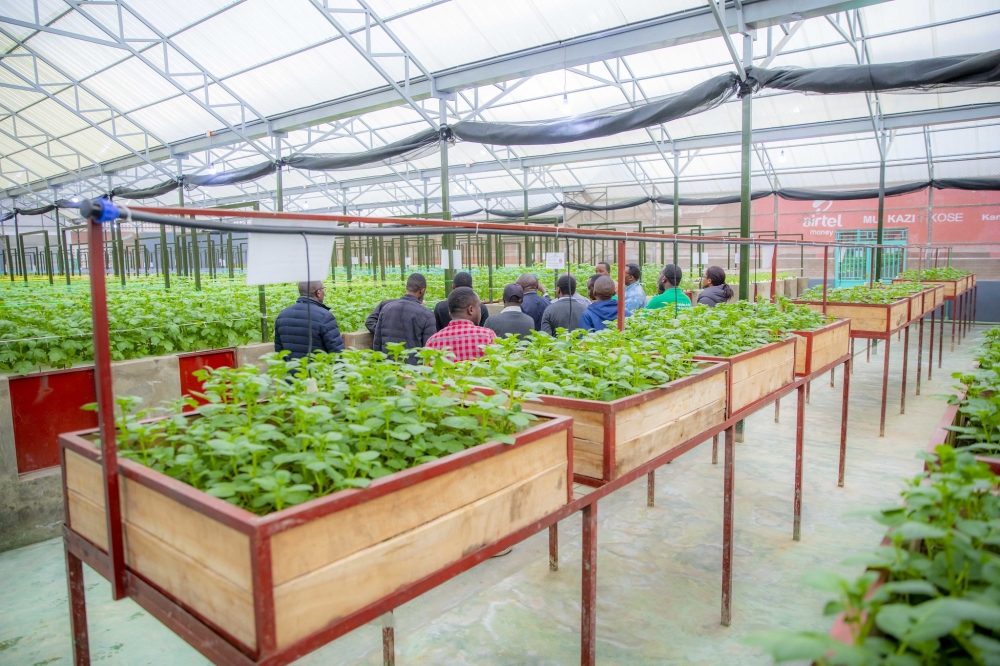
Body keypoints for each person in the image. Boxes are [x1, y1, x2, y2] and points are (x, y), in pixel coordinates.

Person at [372, 273, 436, 363]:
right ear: (422, 291)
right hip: (413, 372)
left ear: (406, 287)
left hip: (388, 368)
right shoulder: (427, 315)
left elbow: (377, 343)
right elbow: (428, 350)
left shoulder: (386, 309)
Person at [273, 281, 345, 360]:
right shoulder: (325, 316)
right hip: (318, 370)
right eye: (323, 289)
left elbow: (279, 352)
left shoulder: (282, 315)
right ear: (318, 293)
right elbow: (337, 353)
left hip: (293, 370)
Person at [425, 286, 497, 361]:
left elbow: (427, 371)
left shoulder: (432, 342)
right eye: (479, 306)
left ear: (450, 314)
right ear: (471, 310)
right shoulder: (488, 336)